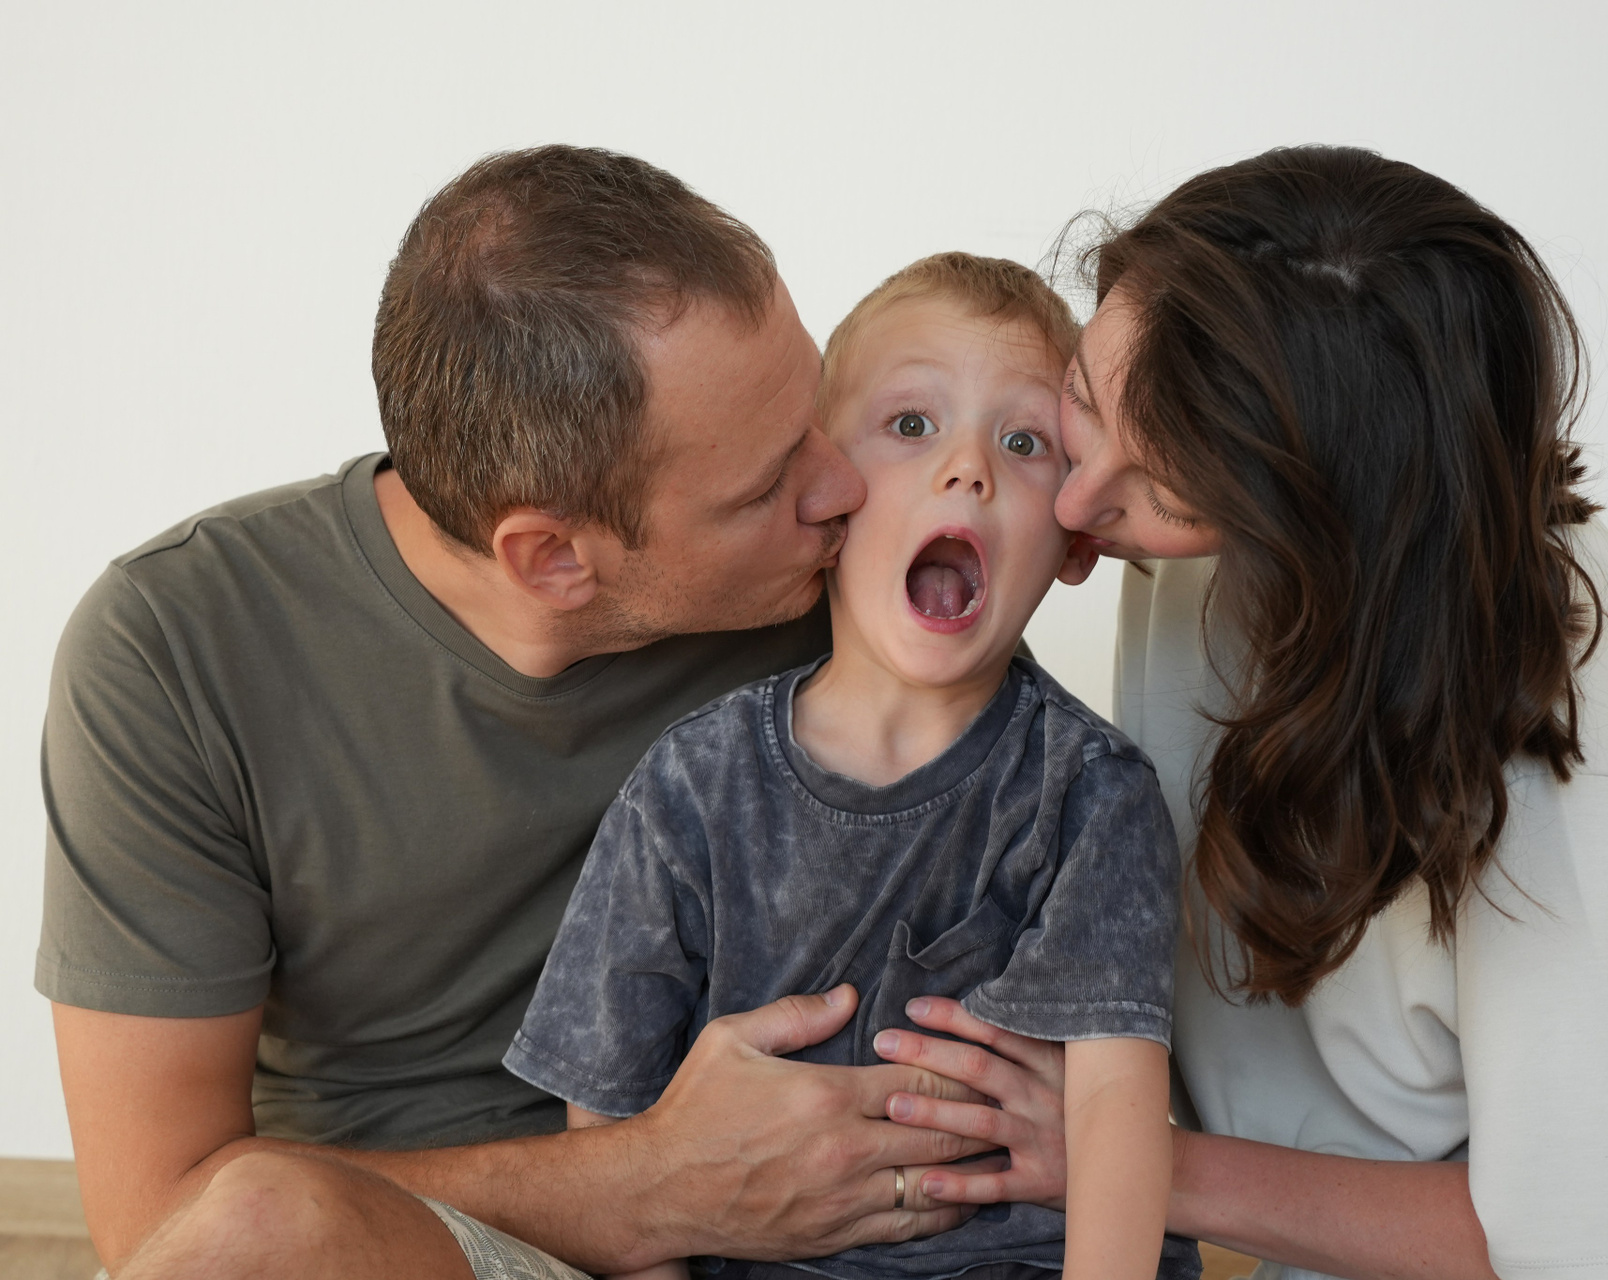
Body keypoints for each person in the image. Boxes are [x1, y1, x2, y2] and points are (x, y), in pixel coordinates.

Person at [874, 147, 1608, 1280]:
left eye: (1162, 490)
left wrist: (1122, 1158)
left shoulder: (1569, 770)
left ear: (1333, 519)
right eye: (1086, 401)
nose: (1076, 499)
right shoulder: (1211, 523)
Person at [37, 146, 1000, 1280]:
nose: (845, 487)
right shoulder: (175, 646)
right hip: (409, 1244)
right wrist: (657, 1183)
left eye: (817, 417)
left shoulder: (858, 588)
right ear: (552, 559)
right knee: (261, 1227)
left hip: (806, 1234)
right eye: (767, 483)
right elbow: (163, 1217)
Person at [505, 252, 1200, 1280]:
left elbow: (1114, 1111)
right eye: (912, 424)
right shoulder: (690, 783)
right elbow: (609, 1117)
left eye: (1023, 442)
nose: (969, 468)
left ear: (1074, 541)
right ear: (827, 495)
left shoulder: (1092, 791)